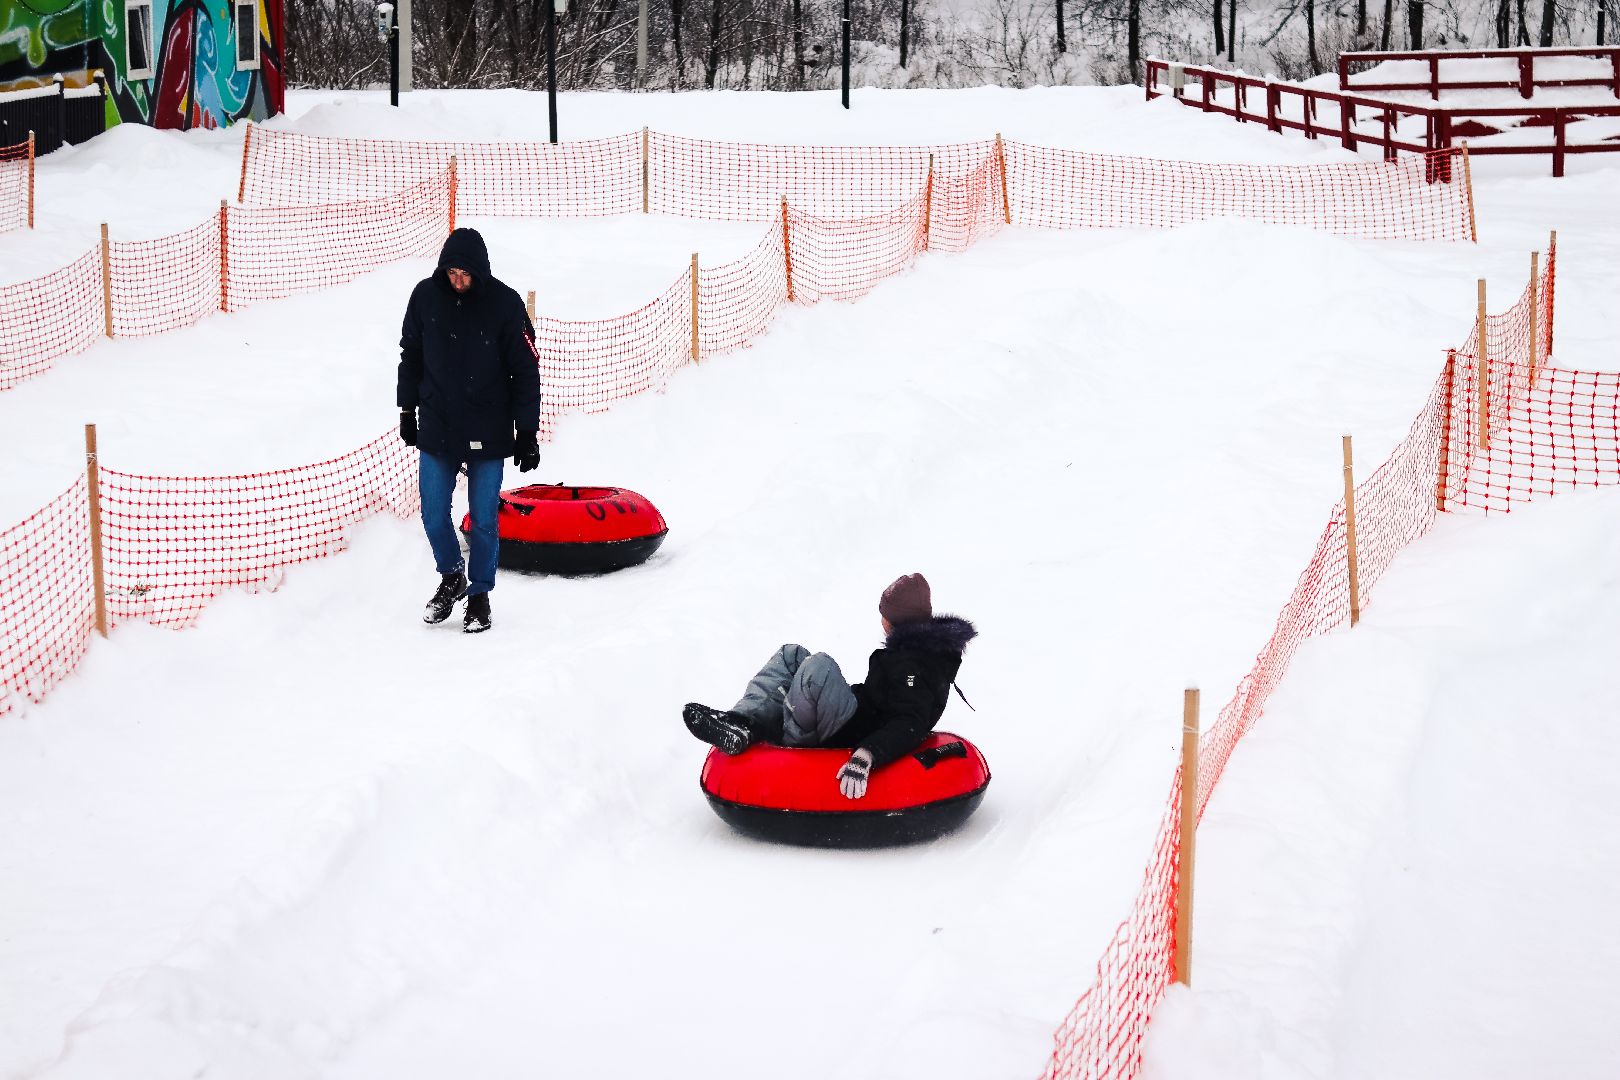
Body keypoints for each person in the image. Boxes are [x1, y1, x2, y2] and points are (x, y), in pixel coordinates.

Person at [683, 573, 977, 799]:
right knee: (792, 654)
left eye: (884, 614)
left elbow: (910, 720)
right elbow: (883, 699)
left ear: (896, 621)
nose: (881, 619)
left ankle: (787, 739)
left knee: (818, 667)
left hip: (857, 732)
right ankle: (742, 723)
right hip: (858, 716)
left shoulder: (916, 666)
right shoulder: (910, 653)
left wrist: (868, 754)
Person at [398, 227, 541, 634]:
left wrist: (526, 433)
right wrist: (407, 409)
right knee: (432, 514)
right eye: (452, 273)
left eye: (465, 275)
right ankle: (451, 576)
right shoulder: (425, 297)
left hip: (488, 427)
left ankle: (479, 594)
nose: (458, 281)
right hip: (438, 424)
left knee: (483, 520)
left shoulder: (505, 304)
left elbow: (525, 371)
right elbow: (411, 356)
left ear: (480, 272)